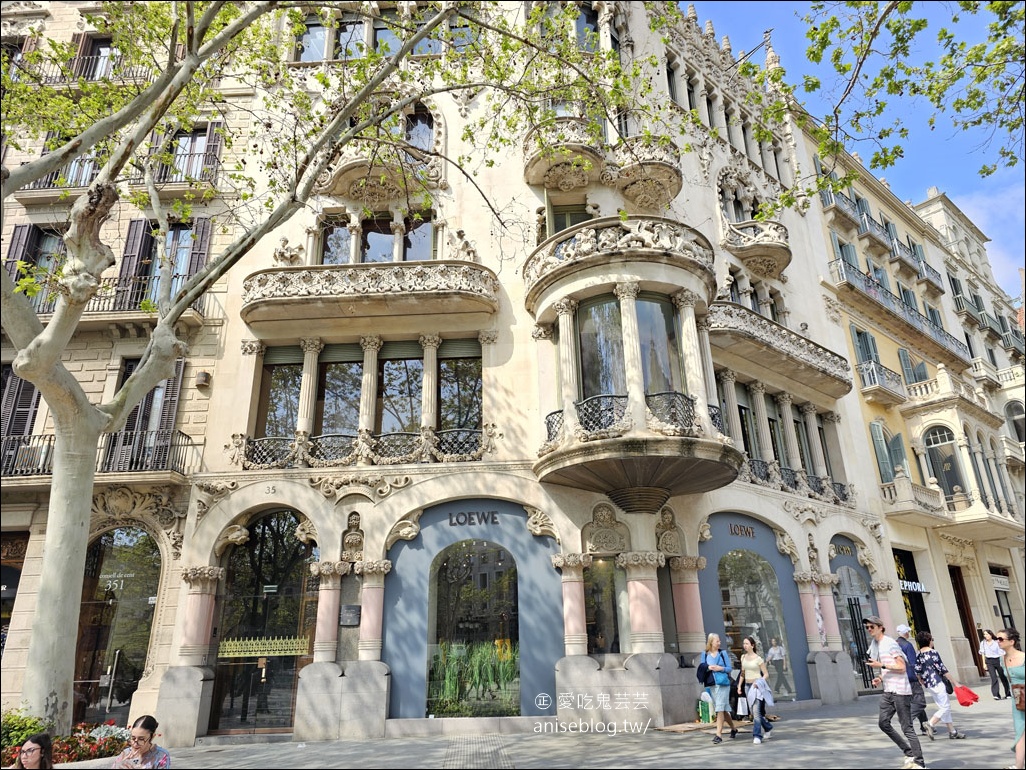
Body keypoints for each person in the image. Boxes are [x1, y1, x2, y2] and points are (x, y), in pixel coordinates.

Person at [864, 614, 925, 770]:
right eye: (867, 627)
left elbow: (902, 667)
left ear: (880, 628)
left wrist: (881, 666)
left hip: (900, 691)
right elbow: (889, 667)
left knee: (907, 727)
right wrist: (880, 678)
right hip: (889, 690)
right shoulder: (877, 645)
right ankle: (909, 752)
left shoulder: (890, 643)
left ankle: (919, 762)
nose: (869, 629)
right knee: (883, 723)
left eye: (872, 626)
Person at [914, 630, 964, 740]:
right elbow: (942, 669)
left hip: (928, 683)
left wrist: (921, 679)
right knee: (945, 707)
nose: (932, 641)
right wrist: (955, 682)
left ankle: (952, 731)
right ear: (928, 640)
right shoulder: (933, 652)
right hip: (937, 681)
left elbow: (917, 669)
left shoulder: (918, 654)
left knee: (943, 706)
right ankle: (930, 723)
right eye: (932, 639)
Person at [737, 635, 774, 745]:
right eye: (744, 643)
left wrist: (759, 682)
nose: (745, 645)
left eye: (747, 643)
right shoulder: (743, 657)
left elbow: (766, 674)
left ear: (752, 645)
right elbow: (743, 673)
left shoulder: (758, 659)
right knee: (753, 713)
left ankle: (757, 735)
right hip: (747, 686)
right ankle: (768, 727)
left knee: (756, 712)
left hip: (756, 687)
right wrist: (739, 686)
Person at [702, 632, 738, 744]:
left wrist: (720, 668)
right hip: (712, 684)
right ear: (711, 642)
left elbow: (729, 668)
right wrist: (708, 667)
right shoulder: (705, 654)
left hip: (723, 684)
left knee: (719, 708)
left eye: (719, 641)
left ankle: (718, 735)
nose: (719, 643)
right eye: (717, 641)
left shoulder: (723, 653)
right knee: (722, 709)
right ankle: (733, 728)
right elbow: (702, 668)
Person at [895, 624, 929, 736]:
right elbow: (913, 663)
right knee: (919, 701)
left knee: (914, 701)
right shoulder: (907, 645)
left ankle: (924, 726)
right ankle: (907, 720)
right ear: (905, 633)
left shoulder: (895, 644)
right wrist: (919, 676)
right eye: (908, 632)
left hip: (900, 676)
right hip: (911, 676)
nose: (908, 634)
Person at [998, 628, 1024, 770]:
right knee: (1020, 731)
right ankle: (1018, 766)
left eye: (1001, 639)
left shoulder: (1024, 657)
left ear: (1012, 641)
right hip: (1018, 699)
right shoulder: (1002, 660)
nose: (998, 642)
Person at [981, 629, 1013, 700]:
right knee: (993, 678)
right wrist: (984, 664)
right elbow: (982, 654)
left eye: (987, 634)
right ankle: (996, 695)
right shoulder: (983, 643)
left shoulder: (996, 642)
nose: (986, 636)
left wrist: (1004, 661)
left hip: (998, 660)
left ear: (991, 635)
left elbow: (1002, 652)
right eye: (984, 634)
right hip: (989, 661)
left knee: (1003, 676)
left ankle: (1008, 693)